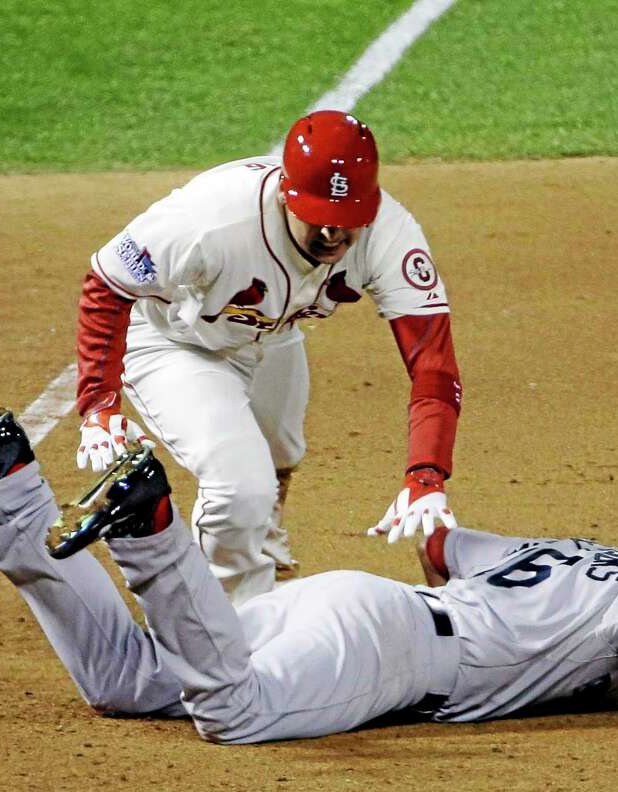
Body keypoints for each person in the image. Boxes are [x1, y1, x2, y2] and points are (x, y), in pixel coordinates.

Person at [0, 410, 618, 744]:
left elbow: (443, 546)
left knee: (128, 685)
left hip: (343, 604)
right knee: (231, 716)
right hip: (389, 653)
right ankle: (152, 528)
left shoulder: (564, 554)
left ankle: (4, 484)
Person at [74, 110, 462, 605]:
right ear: (285, 193)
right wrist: (99, 403)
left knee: (280, 454)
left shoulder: (391, 233)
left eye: (347, 223)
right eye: (318, 218)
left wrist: (426, 473)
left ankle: (258, 540)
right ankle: (228, 627)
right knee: (241, 490)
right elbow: (106, 285)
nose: (332, 236)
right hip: (175, 344)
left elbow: (433, 365)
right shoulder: (209, 220)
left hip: (269, 335)